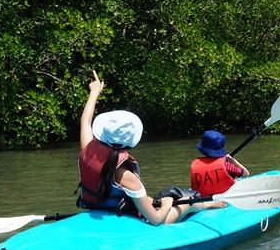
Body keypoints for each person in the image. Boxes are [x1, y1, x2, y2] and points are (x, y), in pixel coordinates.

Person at [77, 71, 226, 225]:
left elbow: (85, 123)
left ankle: (198, 203)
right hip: (127, 213)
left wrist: (94, 92)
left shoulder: (88, 150)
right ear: (129, 143)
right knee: (187, 201)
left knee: (153, 199)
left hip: (96, 205)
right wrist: (167, 204)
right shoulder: (126, 176)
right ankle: (201, 204)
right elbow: (156, 220)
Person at [190, 130, 250, 196]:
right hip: (224, 198)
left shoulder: (196, 164)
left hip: (202, 199)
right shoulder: (227, 165)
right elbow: (246, 174)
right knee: (234, 177)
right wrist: (233, 160)